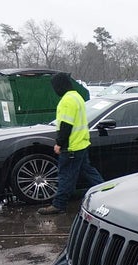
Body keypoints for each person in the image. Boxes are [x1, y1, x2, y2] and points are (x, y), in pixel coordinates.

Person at [37, 73, 104, 215]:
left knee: (66, 176)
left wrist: (59, 144)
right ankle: (105, 193)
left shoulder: (67, 100)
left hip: (71, 147)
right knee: (88, 171)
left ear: (59, 86)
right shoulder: (77, 97)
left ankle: (59, 205)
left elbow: (66, 125)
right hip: (81, 143)